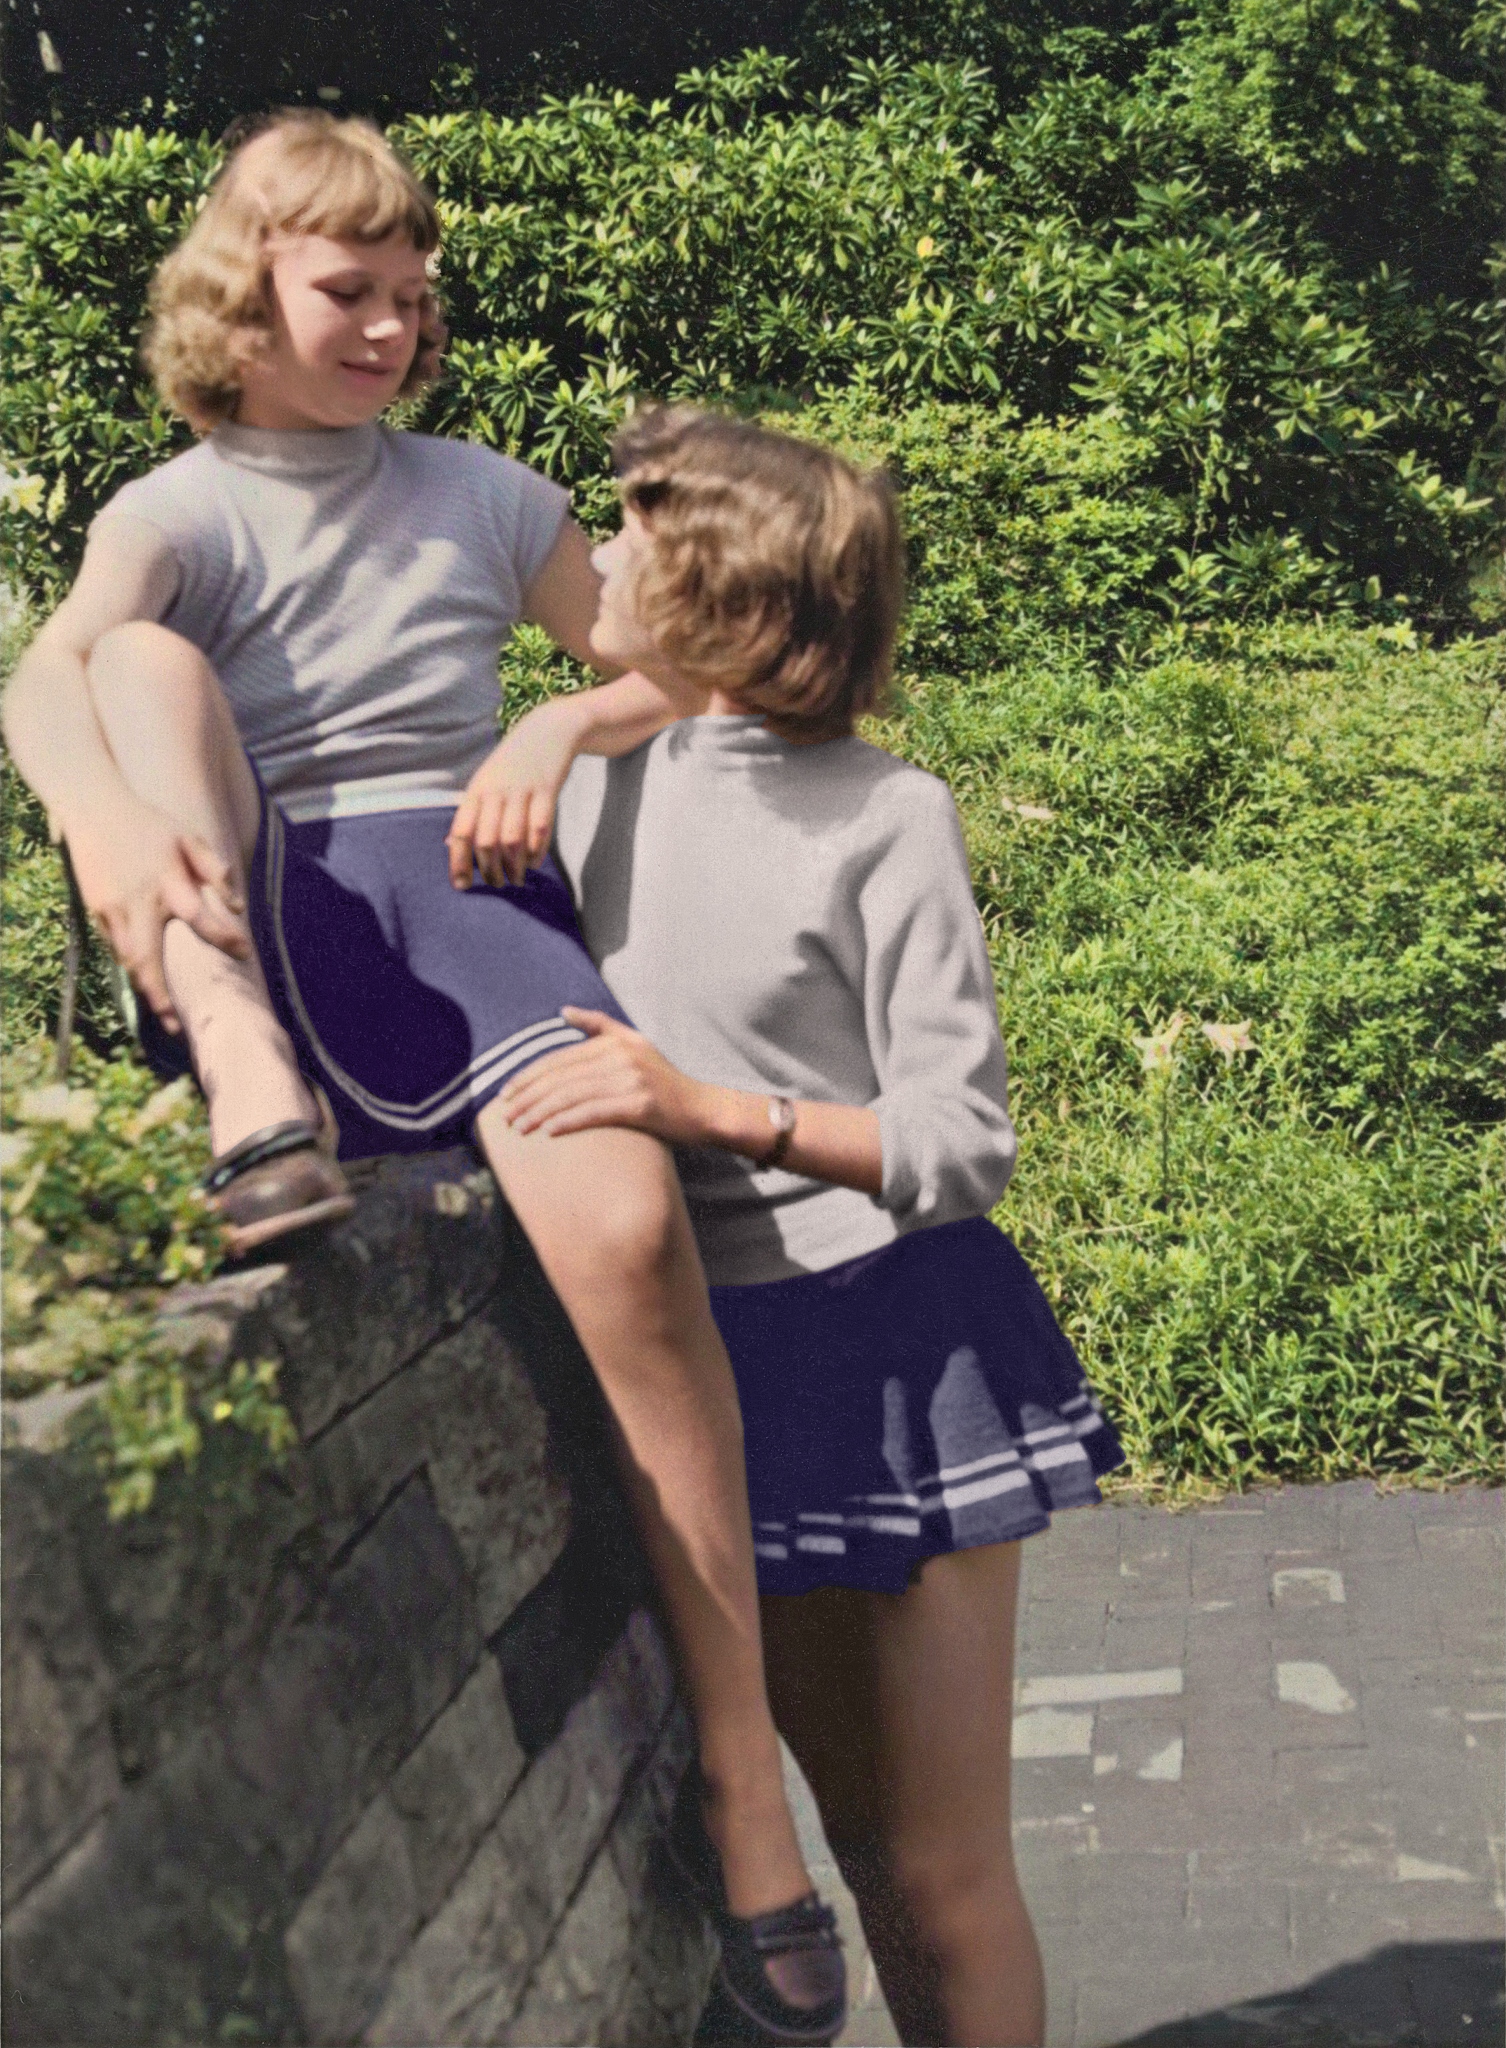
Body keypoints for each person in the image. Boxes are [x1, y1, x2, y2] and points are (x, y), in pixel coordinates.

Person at [1, 113, 845, 2043]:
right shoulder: (181, 507)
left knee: (629, 1230)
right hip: (262, 916)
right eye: (346, 291)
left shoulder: (476, 490)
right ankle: (245, 1089)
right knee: (136, 673)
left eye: (411, 294)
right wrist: (105, 829)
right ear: (247, 296)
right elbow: (50, 671)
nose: (388, 325)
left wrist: (567, 710)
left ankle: (742, 1787)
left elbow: (707, 668)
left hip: (465, 906)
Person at [500, 405, 1127, 2048]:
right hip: (707, 1369)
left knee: (937, 1872)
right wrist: (560, 726)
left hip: (892, 1345)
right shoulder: (571, 790)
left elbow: (960, 1138)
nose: (602, 552)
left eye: (635, 529)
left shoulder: (880, 813)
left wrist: (712, 1108)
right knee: (840, 1853)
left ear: (729, 586)